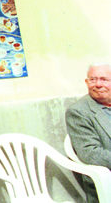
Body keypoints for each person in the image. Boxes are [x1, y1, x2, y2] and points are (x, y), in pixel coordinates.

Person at [65, 63, 111, 203]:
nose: (98, 84)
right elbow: (90, 153)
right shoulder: (78, 112)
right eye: (92, 79)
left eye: (104, 79)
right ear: (86, 82)